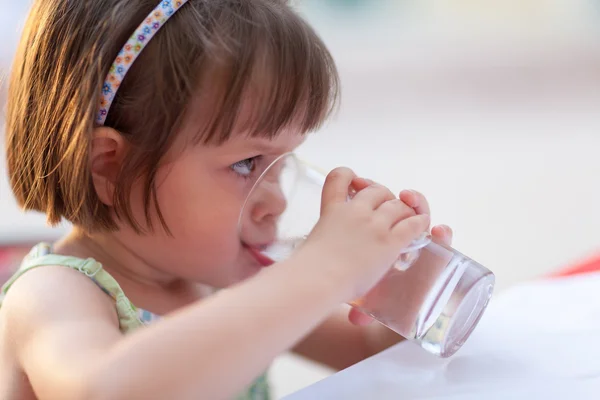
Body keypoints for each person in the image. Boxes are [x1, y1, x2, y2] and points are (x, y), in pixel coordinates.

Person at [0, 1, 451, 398]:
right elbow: (105, 389)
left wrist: (404, 299)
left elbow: (362, 351)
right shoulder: (50, 295)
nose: (275, 200)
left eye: (284, 161)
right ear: (109, 169)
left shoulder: (219, 279)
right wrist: (324, 271)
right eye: (247, 163)